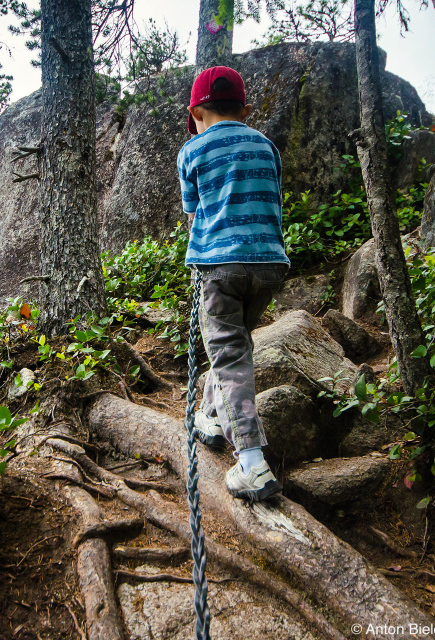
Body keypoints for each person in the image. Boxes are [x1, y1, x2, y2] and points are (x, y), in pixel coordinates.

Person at [178, 66, 290, 502]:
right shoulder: (266, 146)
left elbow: (193, 214)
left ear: (197, 111)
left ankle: (252, 462)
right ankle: (209, 418)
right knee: (234, 344)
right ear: (244, 109)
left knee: (227, 354)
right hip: (268, 265)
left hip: (219, 267)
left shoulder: (193, 150)